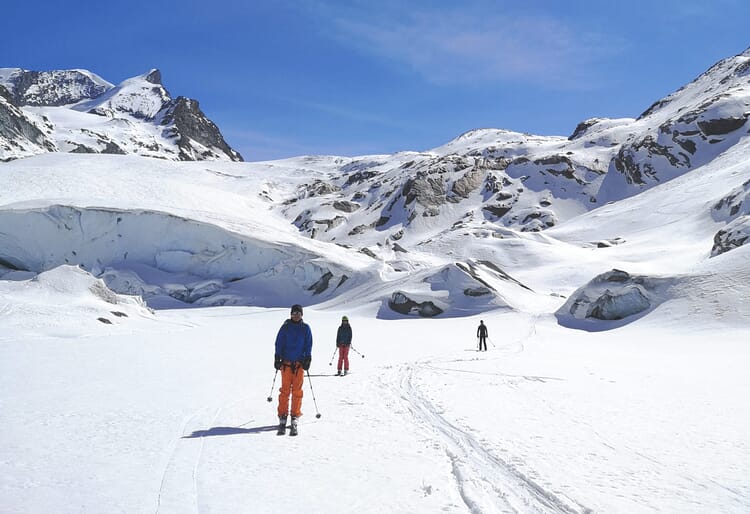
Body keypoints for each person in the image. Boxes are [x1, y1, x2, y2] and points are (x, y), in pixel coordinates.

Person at [274, 304, 313, 436]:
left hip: (299, 365)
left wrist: (308, 358)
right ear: (291, 314)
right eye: (294, 313)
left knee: (297, 391)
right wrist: (277, 357)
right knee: (284, 391)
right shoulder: (285, 327)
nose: (296, 315)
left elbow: (309, 344)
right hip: (285, 364)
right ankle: (283, 415)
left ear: (302, 315)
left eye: (298, 313)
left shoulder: (305, 328)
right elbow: (279, 342)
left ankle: (295, 416)